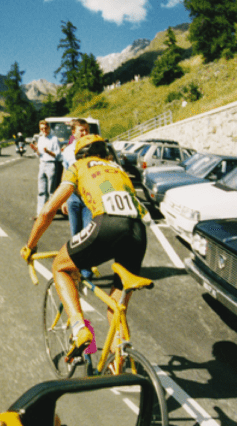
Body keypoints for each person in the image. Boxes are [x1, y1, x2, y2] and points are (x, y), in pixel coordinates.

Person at [22, 135, 150, 361]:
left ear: (78, 154)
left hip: (108, 224)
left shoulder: (77, 166)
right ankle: (119, 357)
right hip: (138, 231)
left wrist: (30, 245)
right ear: (105, 153)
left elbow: (47, 211)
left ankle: (81, 329)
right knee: (116, 306)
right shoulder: (117, 168)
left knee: (60, 266)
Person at [60, 119, 94, 280]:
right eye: (82, 130)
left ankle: (86, 272)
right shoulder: (67, 151)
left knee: (87, 235)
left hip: (89, 198)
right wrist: (62, 200)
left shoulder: (94, 148)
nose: (85, 133)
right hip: (73, 197)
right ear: (74, 133)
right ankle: (76, 268)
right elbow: (65, 174)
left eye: (87, 130)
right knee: (75, 235)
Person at [34, 120, 61, 219]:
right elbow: (40, 154)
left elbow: (57, 155)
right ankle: (40, 213)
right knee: (41, 190)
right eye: (41, 129)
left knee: (51, 190)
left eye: (45, 128)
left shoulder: (54, 139)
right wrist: (36, 150)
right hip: (42, 164)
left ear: (49, 128)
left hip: (51, 164)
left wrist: (48, 152)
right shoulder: (40, 139)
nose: (44, 130)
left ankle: (50, 213)